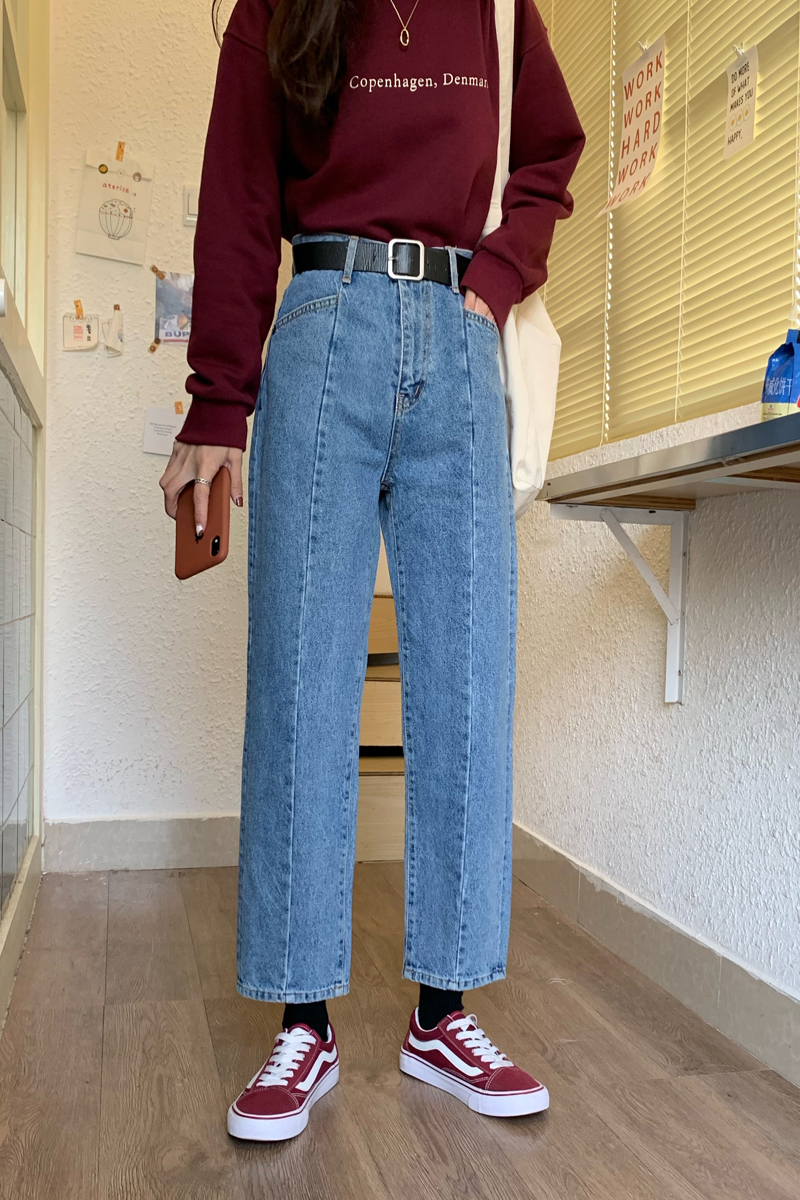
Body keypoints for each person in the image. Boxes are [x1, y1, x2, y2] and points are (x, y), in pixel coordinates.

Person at [159, 0, 584, 1141]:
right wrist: (217, 403)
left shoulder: (497, 9)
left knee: (467, 681)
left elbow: (549, 153)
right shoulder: (280, 8)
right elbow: (240, 196)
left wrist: (496, 280)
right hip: (321, 324)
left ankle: (442, 1014)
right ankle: (302, 1021)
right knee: (301, 683)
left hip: (460, 339)